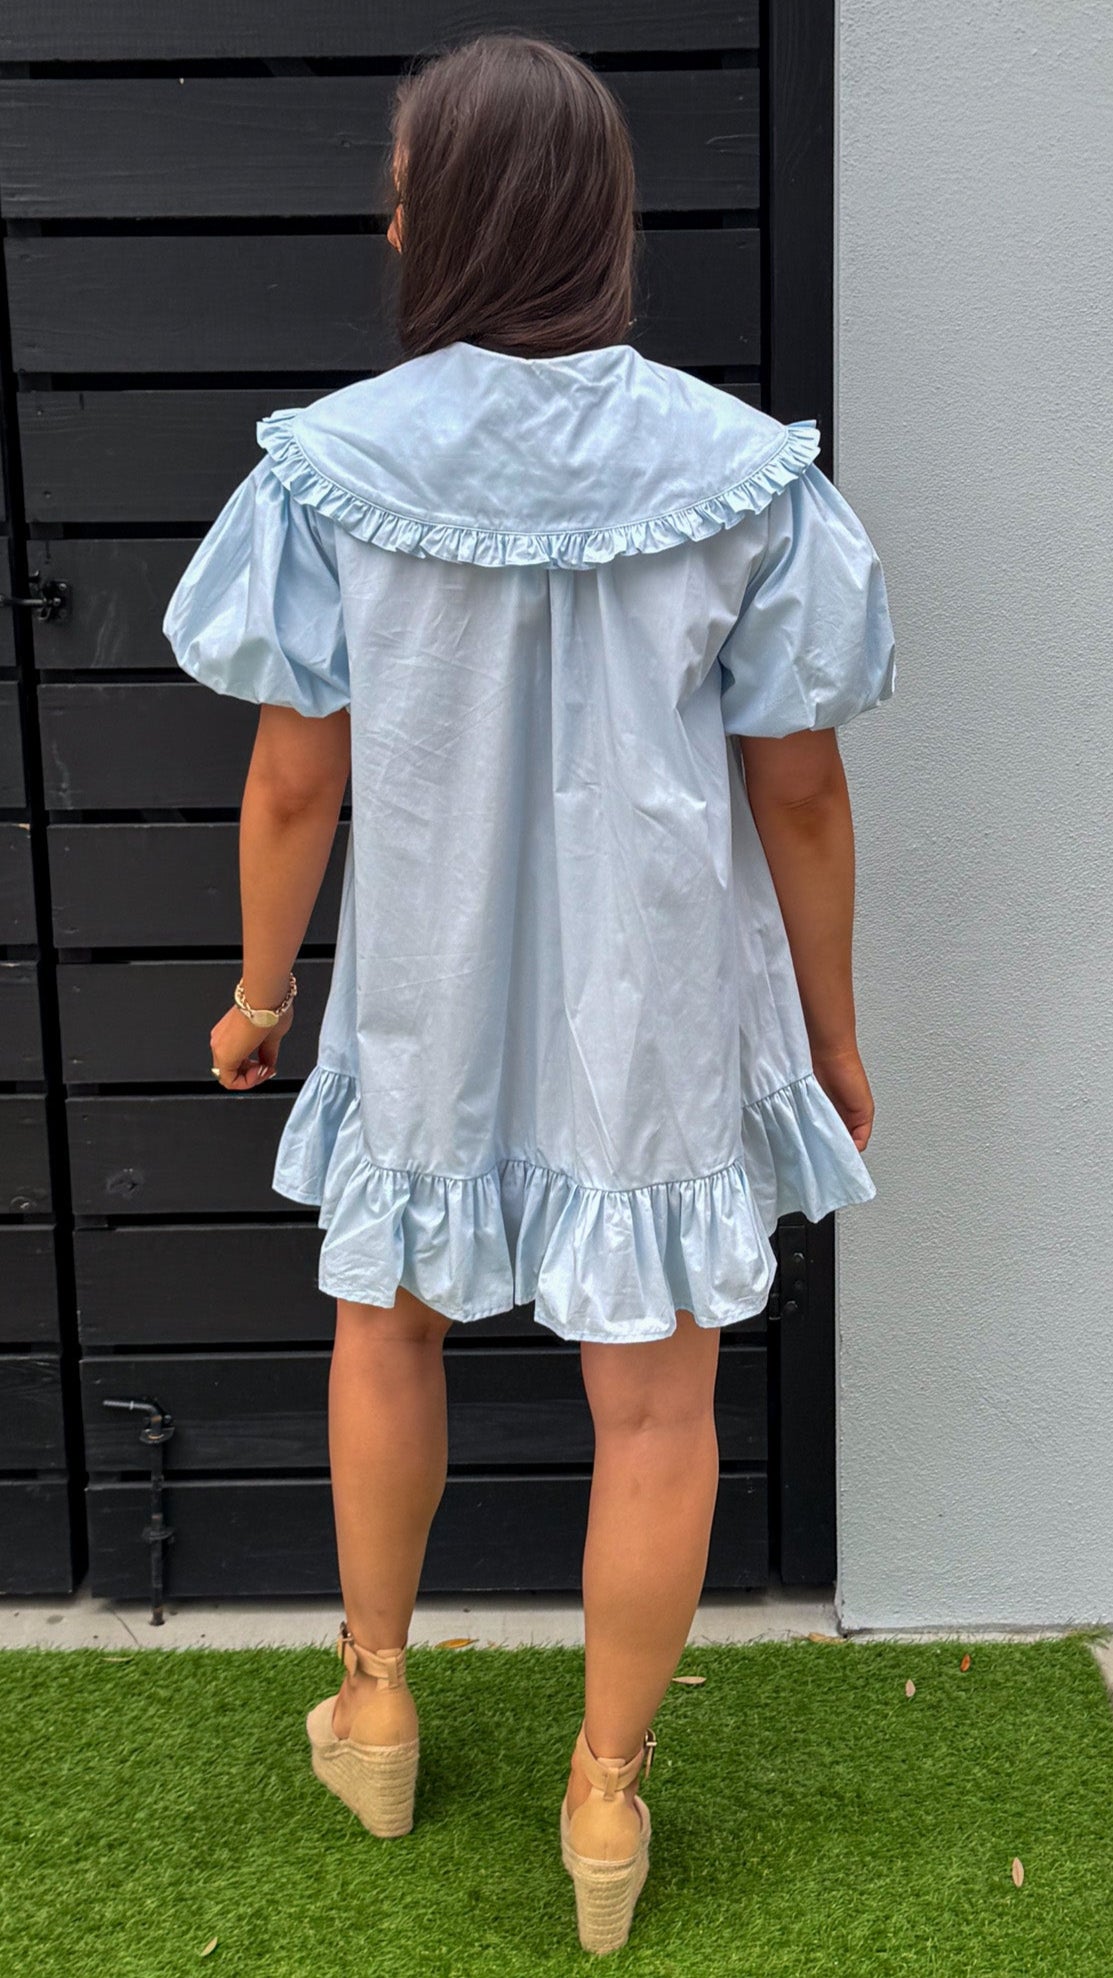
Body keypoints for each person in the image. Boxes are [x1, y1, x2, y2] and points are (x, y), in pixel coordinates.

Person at [161, 30, 896, 1958]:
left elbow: (293, 781)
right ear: (600, 216)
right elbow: (801, 792)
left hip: (428, 998)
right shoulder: (740, 475)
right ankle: (602, 1795)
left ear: (442, 220)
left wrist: (258, 995)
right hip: (657, 1021)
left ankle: (376, 1701)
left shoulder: (335, 467)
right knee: (655, 1400)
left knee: (384, 1322)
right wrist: (831, 1034)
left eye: (402, 190)